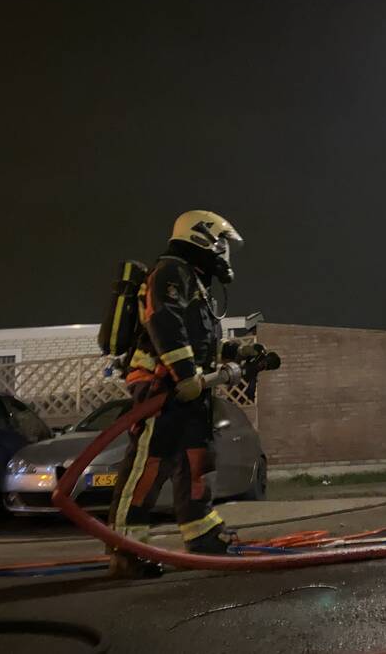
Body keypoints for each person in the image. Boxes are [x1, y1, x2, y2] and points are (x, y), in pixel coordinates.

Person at [108, 210, 259, 578]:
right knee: (150, 465)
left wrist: (238, 352)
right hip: (163, 386)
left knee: (198, 463)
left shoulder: (196, 281)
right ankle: (127, 548)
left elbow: (200, 343)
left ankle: (202, 534)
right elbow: (165, 324)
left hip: (190, 390)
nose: (225, 254)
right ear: (203, 238)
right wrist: (187, 375)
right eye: (222, 245)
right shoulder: (171, 273)